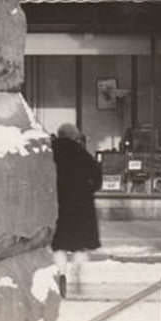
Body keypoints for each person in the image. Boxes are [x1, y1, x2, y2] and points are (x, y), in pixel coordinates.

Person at [50, 123, 102, 297]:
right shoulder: (82, 154)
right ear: (74, 137)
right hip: (80, 206)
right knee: (80, 245)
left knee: (58, 244)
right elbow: (97, 176)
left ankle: (61, 274)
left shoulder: (50, 153)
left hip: (57, 205)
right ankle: (77, 270)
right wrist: (89, 189)